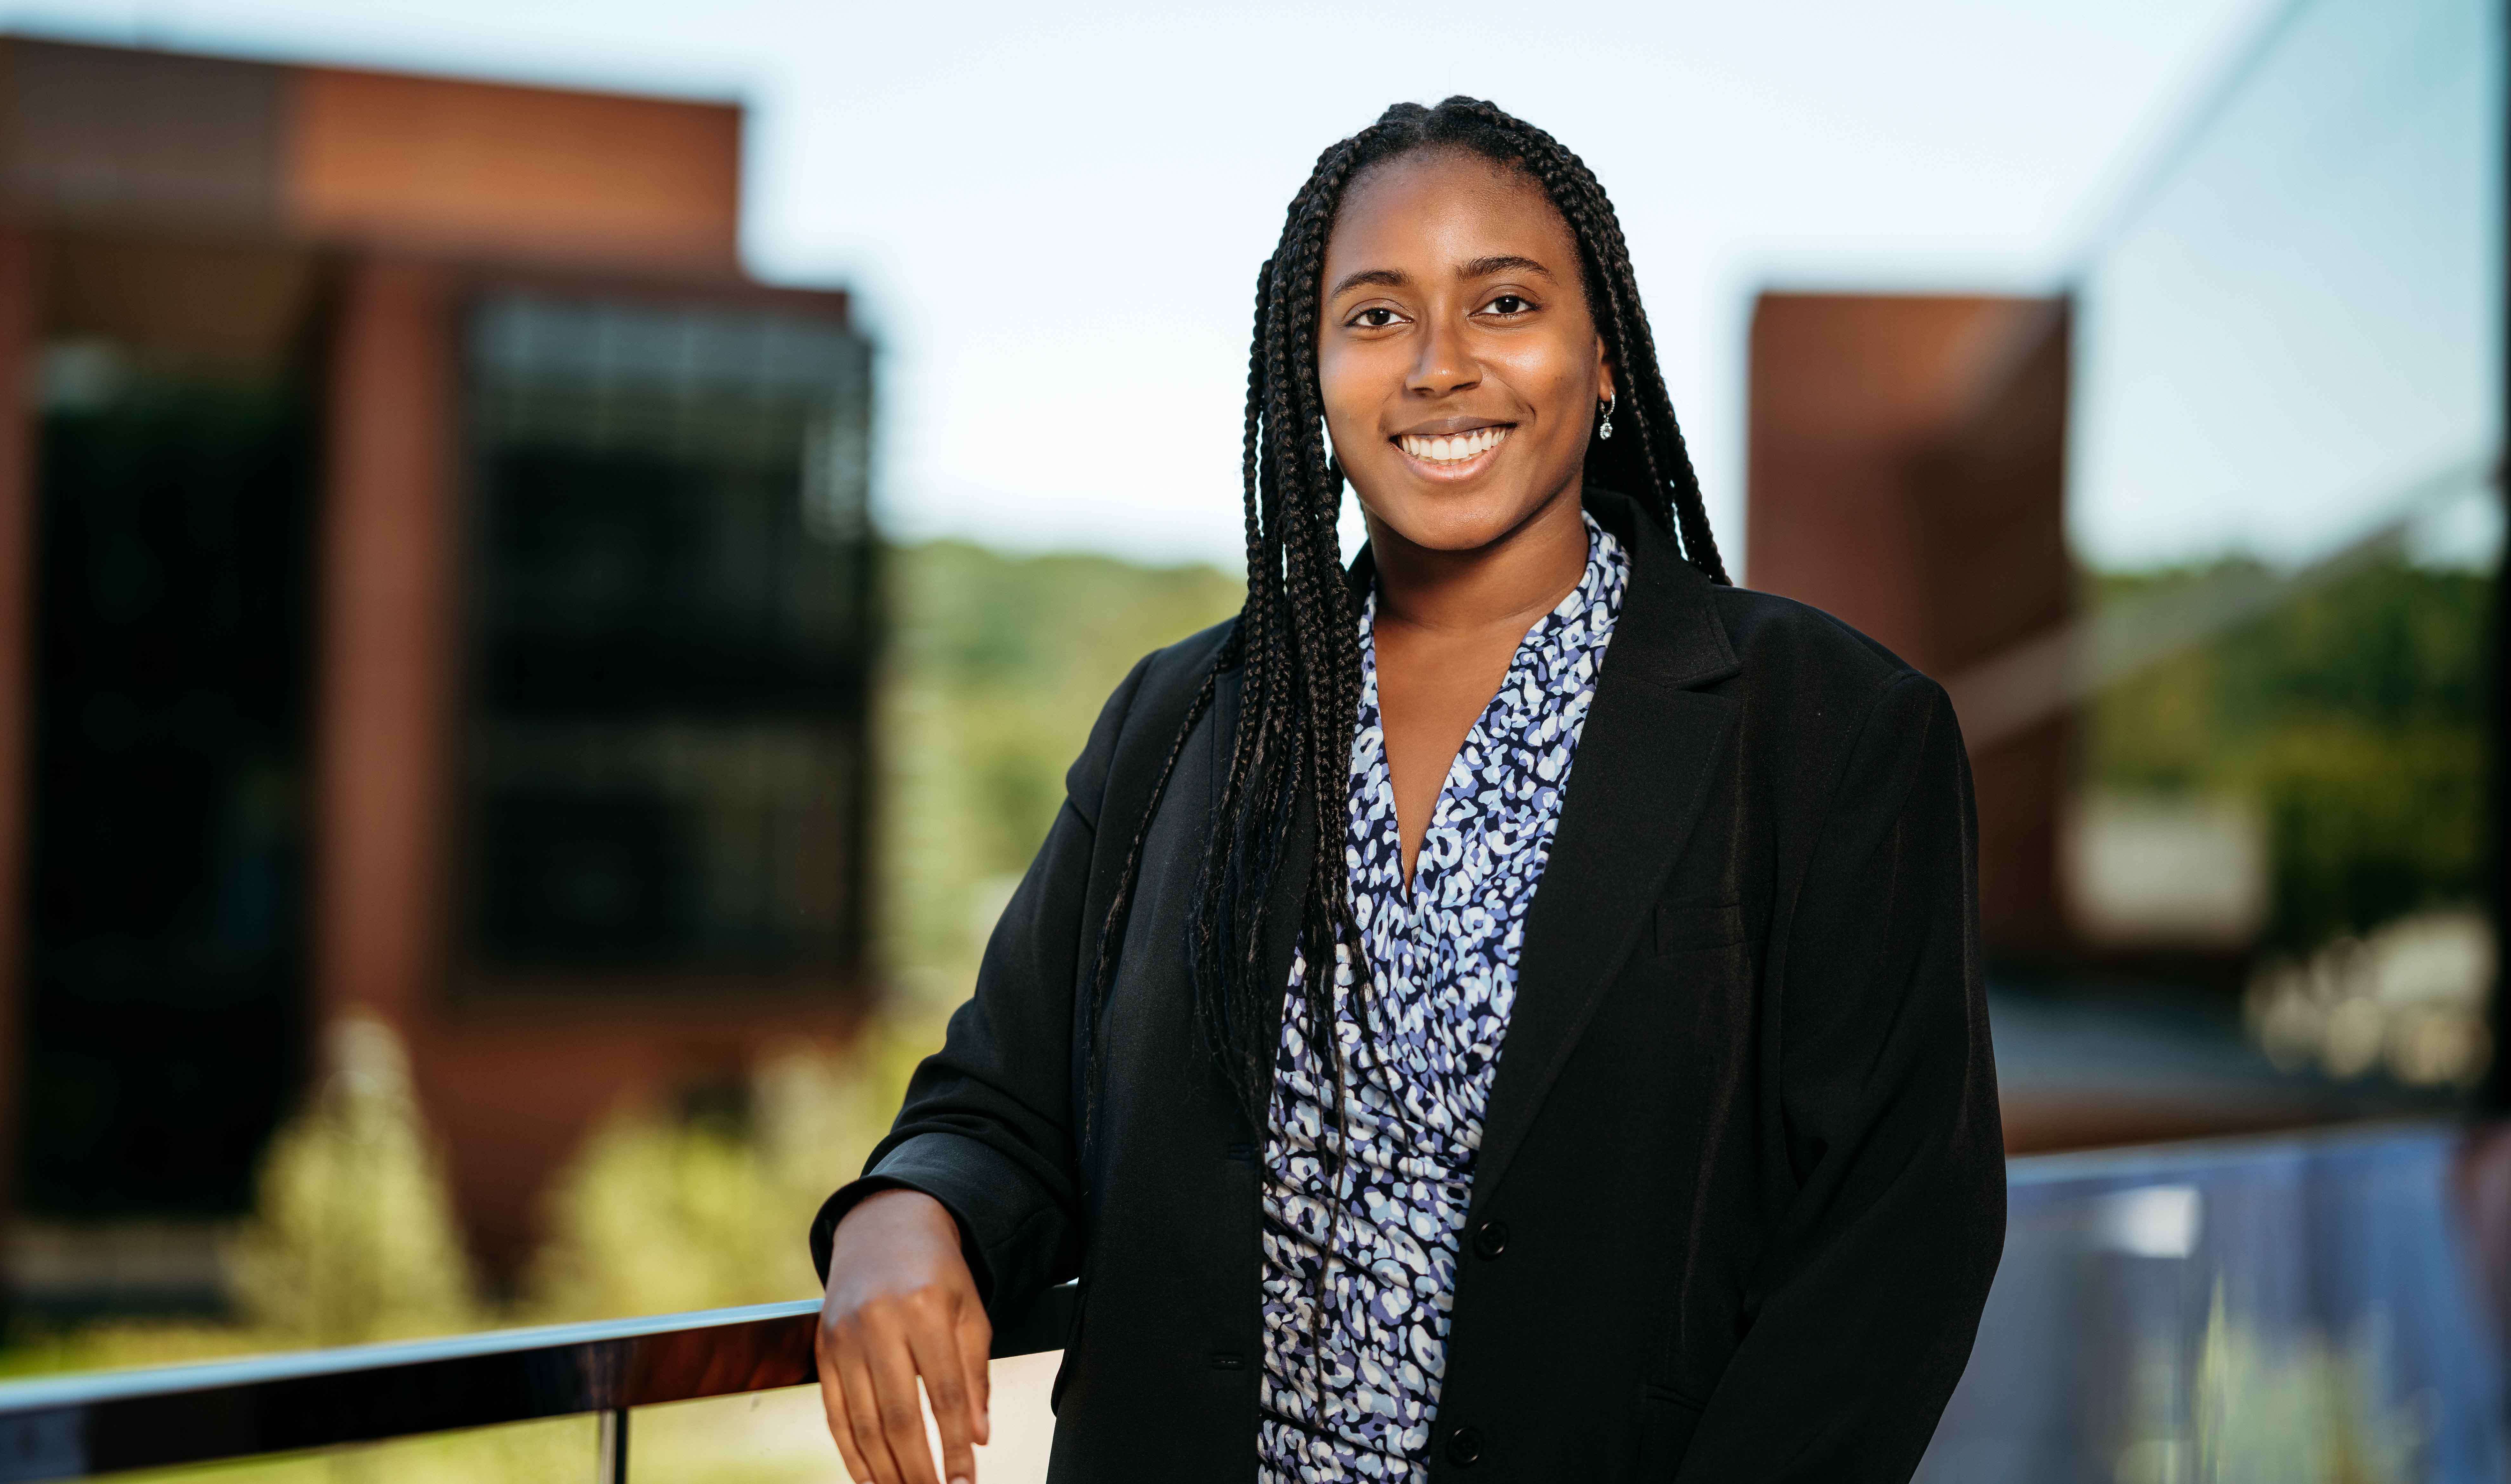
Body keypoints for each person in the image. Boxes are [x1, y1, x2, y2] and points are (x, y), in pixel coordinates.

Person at [809, 97, 2005, 1484]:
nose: (1441, 367)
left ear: (1603, 351)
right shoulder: (1182, 720)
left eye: (1503, 302)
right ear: (1309, 370)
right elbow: (998, 1102)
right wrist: (902, 1210)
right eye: (1376, 316)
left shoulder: (1830, 730)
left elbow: (1895, 1246)